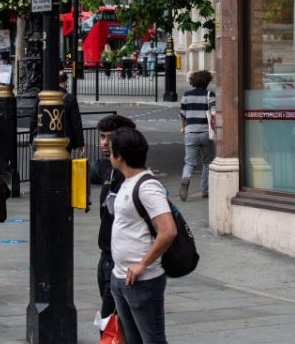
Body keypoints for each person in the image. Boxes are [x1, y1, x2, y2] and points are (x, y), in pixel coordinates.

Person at [110, 127, 177, 344]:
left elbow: (168, 230)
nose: (107, 152)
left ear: (119, 156)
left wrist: (142, 264)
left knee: (153, 340)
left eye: (111, 150)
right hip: (121, 278)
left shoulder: (147, 187)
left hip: (143, 281)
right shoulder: (126, 182)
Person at [90, 114, 137, 337]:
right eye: (102, 137)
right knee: (115, 321)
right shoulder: (109, 170)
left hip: (120, 260)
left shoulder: (130, 177)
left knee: (112, 322)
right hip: (106, 254)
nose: (104, 143)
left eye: (110, 138)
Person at [178, 70, 216, 201]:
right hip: (206, 133)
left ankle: (186, 178)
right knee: (207, 161)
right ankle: (205, 190)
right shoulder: (210, 94)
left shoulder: (186, 95)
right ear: (207, 82)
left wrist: (183, 128)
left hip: (190, 132)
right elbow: (213, 113)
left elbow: (182, 114)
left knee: (189, 162)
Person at [29, 71, 85, 157]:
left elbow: (34, 118)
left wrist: (31, 138)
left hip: (42, 139)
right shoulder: (70, 99)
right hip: (64, 142)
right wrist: (80, 143)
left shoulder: (42, 96)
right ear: (66, 83)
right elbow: (76, 123)